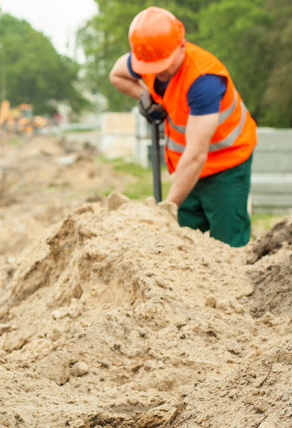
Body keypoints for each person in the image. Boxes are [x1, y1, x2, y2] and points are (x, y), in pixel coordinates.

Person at [108, 6, 257, 247]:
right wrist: (145, 96)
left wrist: (166, 210)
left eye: (164, 63)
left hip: (226, 165)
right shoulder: (147, 59)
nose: (160, 71)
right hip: (186, 169)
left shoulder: (203, 80)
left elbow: (197, 154)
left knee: (228, 244)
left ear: (181, 44)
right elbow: (116, 75)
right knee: (182, 240)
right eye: (152, 66)